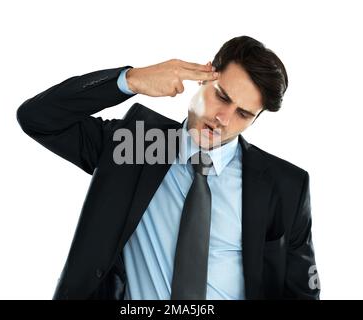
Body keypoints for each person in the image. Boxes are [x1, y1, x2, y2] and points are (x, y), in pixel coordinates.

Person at [16, 35, 320, 300]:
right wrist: (130, 79)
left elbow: (301, 293)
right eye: (222, 96)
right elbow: (38, 118)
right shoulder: (137, 144)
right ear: (203, 78)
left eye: (242, 113)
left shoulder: (285, 186)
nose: (223, 118)